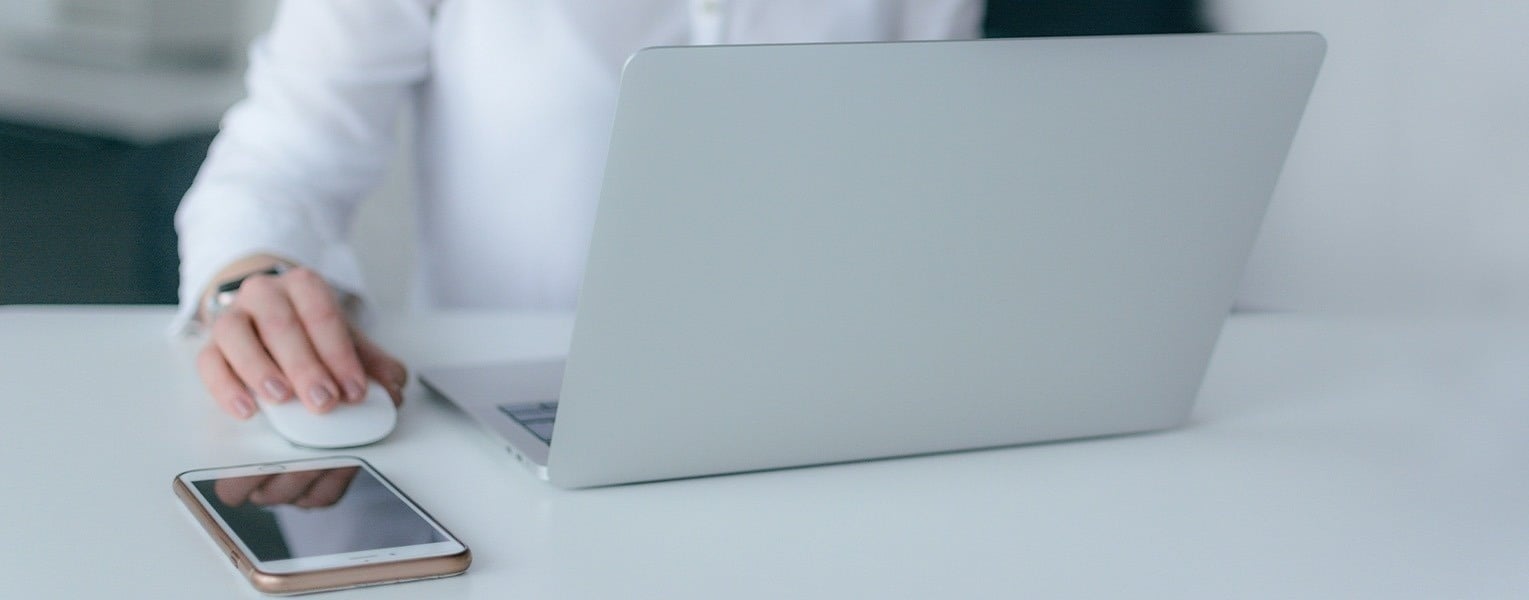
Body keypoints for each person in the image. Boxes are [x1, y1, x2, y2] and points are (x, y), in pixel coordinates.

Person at [175, 1, 984, 420]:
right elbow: (283, 156)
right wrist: (253, 274)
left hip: (827, 411)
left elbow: (938, 184)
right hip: (499, 412)